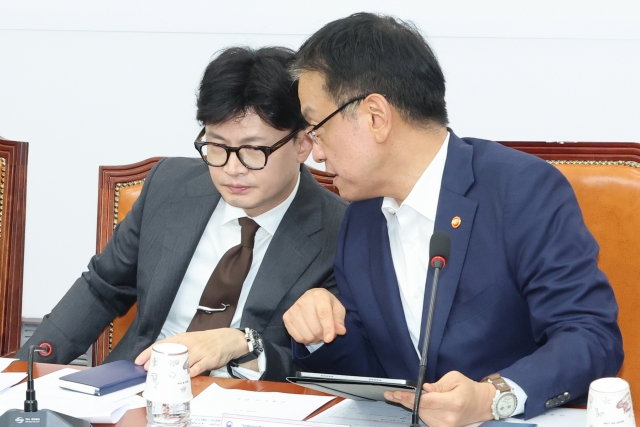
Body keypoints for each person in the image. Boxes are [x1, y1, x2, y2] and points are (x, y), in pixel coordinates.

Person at [282, 13, 623, 426]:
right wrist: (321, 331)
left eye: (317, 129)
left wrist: (491, 397)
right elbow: (368, 371)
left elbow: (590, 335)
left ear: (375, 116)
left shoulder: (520, 189)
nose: (316, 154)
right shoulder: (361, 220)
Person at [18, 46, 347, 381]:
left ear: (303, 142)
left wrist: (246, 345)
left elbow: (328, 365)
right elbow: (102, 289)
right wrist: (21, 372)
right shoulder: (169, 186)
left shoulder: (342, 232)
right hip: (131, 389)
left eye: (252, 150)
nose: (232, 169)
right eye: (216, 146)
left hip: (248, 402)